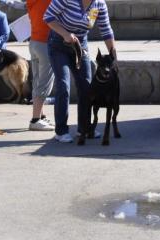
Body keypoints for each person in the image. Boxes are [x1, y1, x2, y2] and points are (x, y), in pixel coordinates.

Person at [45, 0, 115, 143]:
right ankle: (61, 131)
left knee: (86, 86)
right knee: (63, 85)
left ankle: (84, 128)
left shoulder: (99, 4)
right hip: (59, 45)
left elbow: (106, 30)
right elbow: (48, 17)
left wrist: (114, 58)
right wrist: (65, 34)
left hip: (80, 45)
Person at [26, 0, 55, 131]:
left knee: (37, 81)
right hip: (45, 42)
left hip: (34, 42)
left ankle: (41, 116)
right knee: (44, 84)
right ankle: (36, 119)